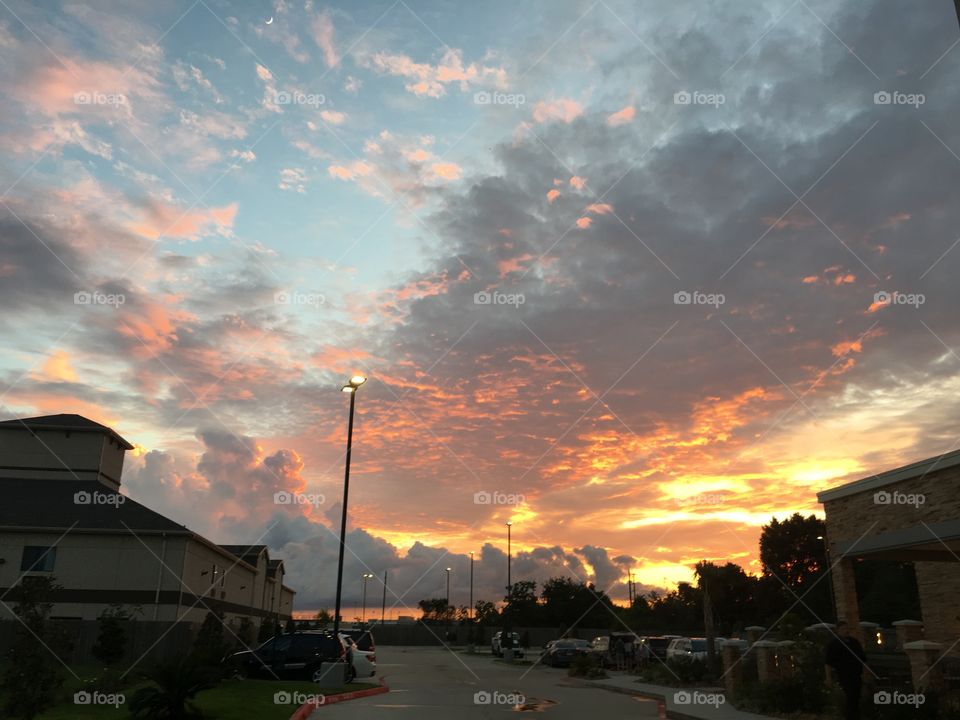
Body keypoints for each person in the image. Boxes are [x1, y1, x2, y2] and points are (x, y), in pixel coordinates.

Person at [825, 621, 868, 720]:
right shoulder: (834, 644)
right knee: (850, 697)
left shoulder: (854, 642)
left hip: (856, 674)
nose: (846, 631)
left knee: (856, 697)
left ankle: (856, 716)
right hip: (844, 675)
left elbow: (863, 658)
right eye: (843, 629)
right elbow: (828, 663)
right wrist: (828, 678)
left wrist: (866, 672)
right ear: (838, 631)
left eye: (847, 628)